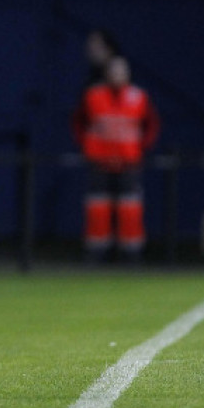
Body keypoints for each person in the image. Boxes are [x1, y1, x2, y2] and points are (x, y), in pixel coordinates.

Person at [72, 56, 160, 264]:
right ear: (106, 73)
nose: (117, 76)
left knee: (130, 207)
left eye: (122, 72)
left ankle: (131, 254)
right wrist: (86, 146)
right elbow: (78, 122)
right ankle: (96, 252)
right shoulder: (93, 95)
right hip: (99, 161)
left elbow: (151, 125)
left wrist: (142, 147)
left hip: (129, 162)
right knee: (98, 207)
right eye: (113, 71)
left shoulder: (138, 96)